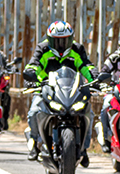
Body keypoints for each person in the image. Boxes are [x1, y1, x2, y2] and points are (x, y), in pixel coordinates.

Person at [23, 20, 96, 162]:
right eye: (57, 41)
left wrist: (95, 77)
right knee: (34, 112)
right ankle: (35, 143)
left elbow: (86, 66)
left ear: (71, 39)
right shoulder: (43, 49)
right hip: (47, 89)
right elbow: (34, 64)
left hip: (72, 90)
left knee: (89, 113)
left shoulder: (77, 49)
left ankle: (84, 148)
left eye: (65, 41)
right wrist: (31, 74)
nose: (61, 45)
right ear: (50, 40)